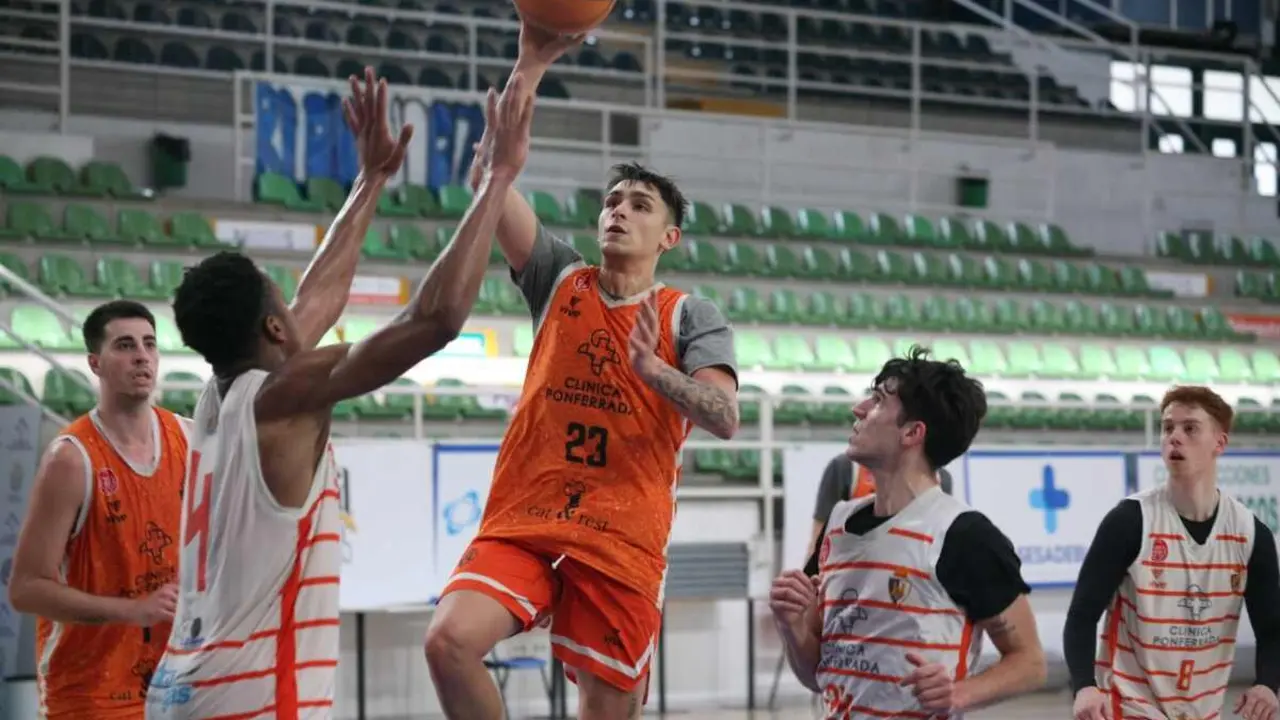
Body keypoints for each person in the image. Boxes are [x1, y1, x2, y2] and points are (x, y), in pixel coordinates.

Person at [142, 67, 535, 718]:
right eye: (280, 301)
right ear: (273, 328)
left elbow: (316, 299)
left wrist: (371, 178)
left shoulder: (218, 398)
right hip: (252, 699)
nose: (296, 307)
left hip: (183, 686)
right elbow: (432, 320)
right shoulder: (281, 395)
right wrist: (498, 178)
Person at [423, 21, 740, 720]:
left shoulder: (691, 315)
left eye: (639, 205)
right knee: (447, 642)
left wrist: (655, 373)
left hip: (620, 539)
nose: (618, 212)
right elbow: (490, 179)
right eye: (612, 201)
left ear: (670, 236)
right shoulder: (559, 276)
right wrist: (530, 64)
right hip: (527, 518)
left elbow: (722, 417)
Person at [772, 347, 1047, 718]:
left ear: (913, 433)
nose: (858, 408)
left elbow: (1030, 663)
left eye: (878, 400)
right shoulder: (837, 524)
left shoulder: (964, 535)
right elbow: (817, 676)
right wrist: (792, 628)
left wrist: (959, 694)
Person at [9, 300, 188, 719]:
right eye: (125, 345)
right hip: (90, 694)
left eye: (149, 344)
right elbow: (25, 588)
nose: (141, 355)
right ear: (95, 363)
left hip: (172, 686)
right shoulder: (70, 460)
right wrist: (134, 610)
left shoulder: (187, 437)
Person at [1065, 385, 1280, 720]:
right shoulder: (1129, 521)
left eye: (1190, 428)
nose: (1174, 437)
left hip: (1203, 710)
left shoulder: (1251, 535)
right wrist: (1084, 686)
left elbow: (1272, 630)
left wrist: (1268, 684)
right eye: (1168, 428)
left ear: (1219, 443)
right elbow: (1081, 616)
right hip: (1127, 705)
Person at [806, 455, 953, 562]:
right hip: (852, 576)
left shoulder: (940, 480)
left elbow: (940, 545)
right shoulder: (845, 468)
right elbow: (818, 540)